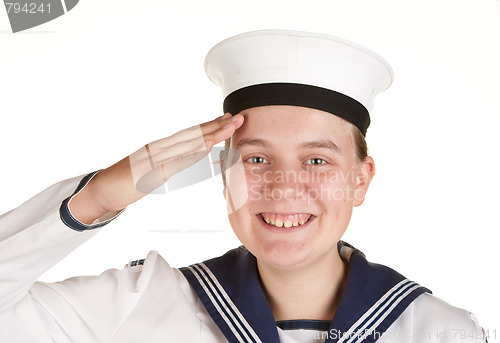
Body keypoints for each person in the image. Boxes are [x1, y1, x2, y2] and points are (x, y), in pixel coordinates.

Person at [0, 30, 486, 343]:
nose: (283, 185)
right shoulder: (141, 303)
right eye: (256, 158)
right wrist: (100, 198)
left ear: (360, 179)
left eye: (317, 159)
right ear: (222, 175)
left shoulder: (440, 332)